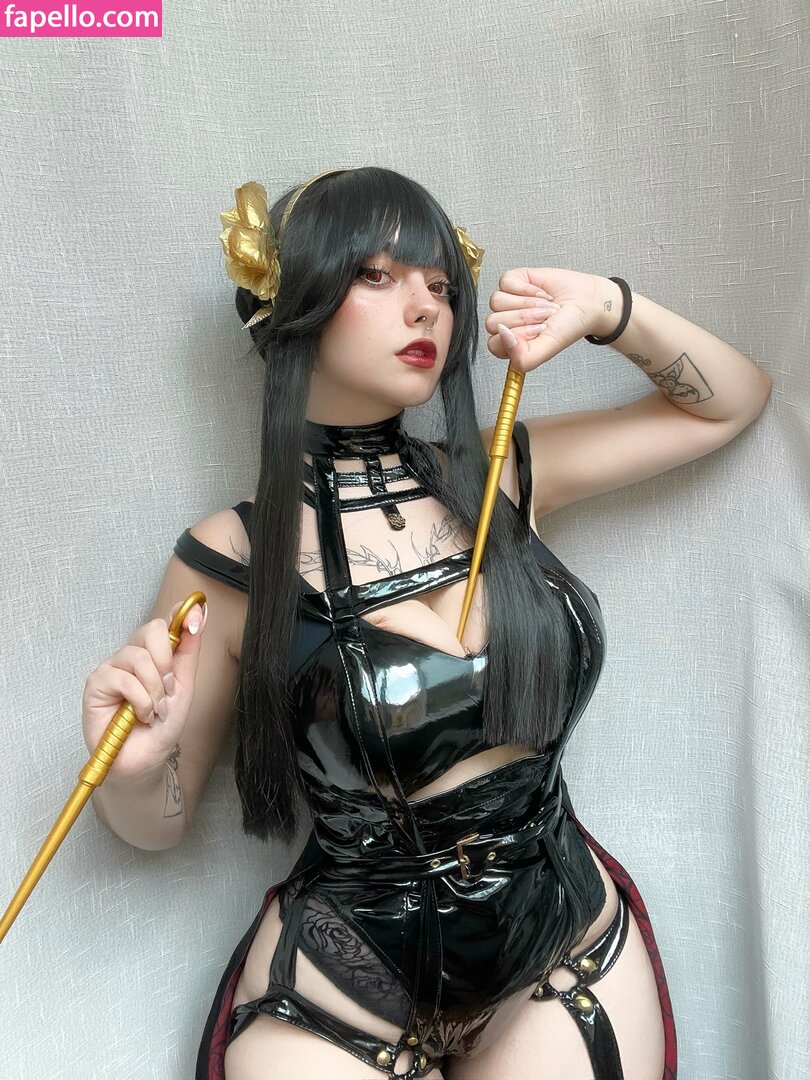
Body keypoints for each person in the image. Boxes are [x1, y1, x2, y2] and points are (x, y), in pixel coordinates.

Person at [82, 166, 771, 1080]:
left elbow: (730, 400)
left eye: (442, 286)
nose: (425, 309)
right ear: (290, 300)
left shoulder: (500, 475)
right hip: (345, 981)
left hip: (561, 943)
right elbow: (158, 826)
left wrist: (608, 307)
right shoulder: (234, 557)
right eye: (377, 275)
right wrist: (133, 775)